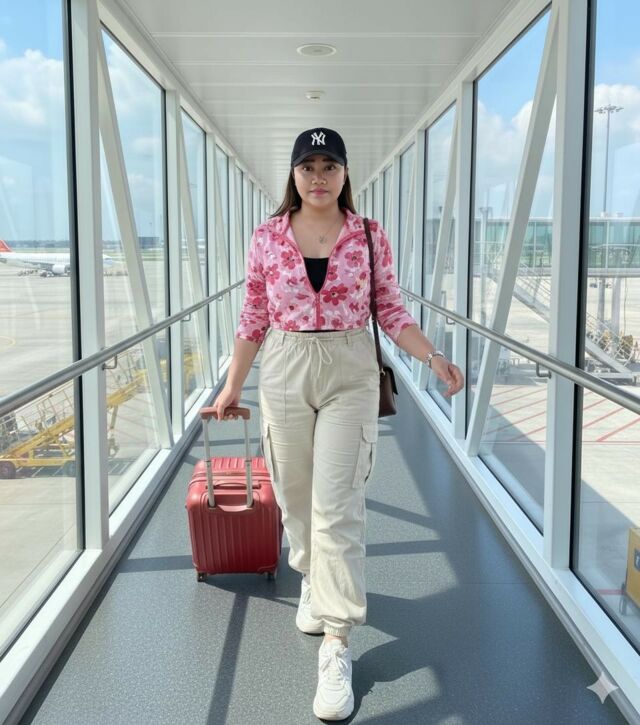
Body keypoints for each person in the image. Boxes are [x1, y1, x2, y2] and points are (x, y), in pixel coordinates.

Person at [212, 127, 464, 721]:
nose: (319, 177)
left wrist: (431, 355)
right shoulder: (267, 236)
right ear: (294, 175)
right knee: (296, 498)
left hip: (351, 368)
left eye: (330, 166)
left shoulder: (369, 234)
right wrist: (232, 384)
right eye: (309, 166)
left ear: (346, 173)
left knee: (338, 505)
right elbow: (253, 314)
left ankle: (337, 640)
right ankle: (311, 576)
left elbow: (389, 308)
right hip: (285, 365)